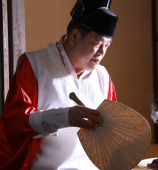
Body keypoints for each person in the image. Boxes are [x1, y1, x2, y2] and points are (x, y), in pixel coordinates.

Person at [0, 0, 118, 169]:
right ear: (75, 36)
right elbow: (14, 122)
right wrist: (65, 117)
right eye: (97, 43)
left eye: (107, 46)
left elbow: (112, 132)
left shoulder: (103, 76)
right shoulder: (34, 64)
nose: (102, 53)